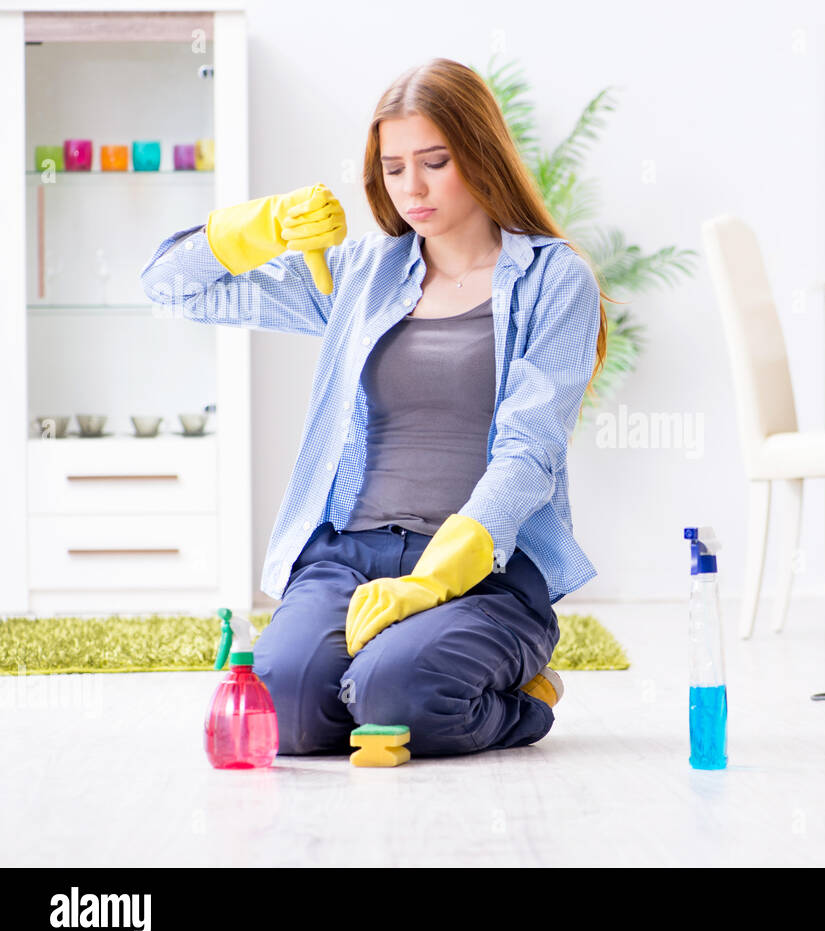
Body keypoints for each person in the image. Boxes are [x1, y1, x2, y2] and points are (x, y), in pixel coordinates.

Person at [139, 57, 610, 757]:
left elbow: (531, 447)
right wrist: (256, 227)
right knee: (286, 715)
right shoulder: (359, 275)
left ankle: (529, 694)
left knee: (400, 697)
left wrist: (436, 576)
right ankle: (388, 672)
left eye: (434, 161)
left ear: (481, 153)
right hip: (348, 553)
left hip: (482, 568)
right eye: (393, 168)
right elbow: (172, 288)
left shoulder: (553, 278)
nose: (411, 187)